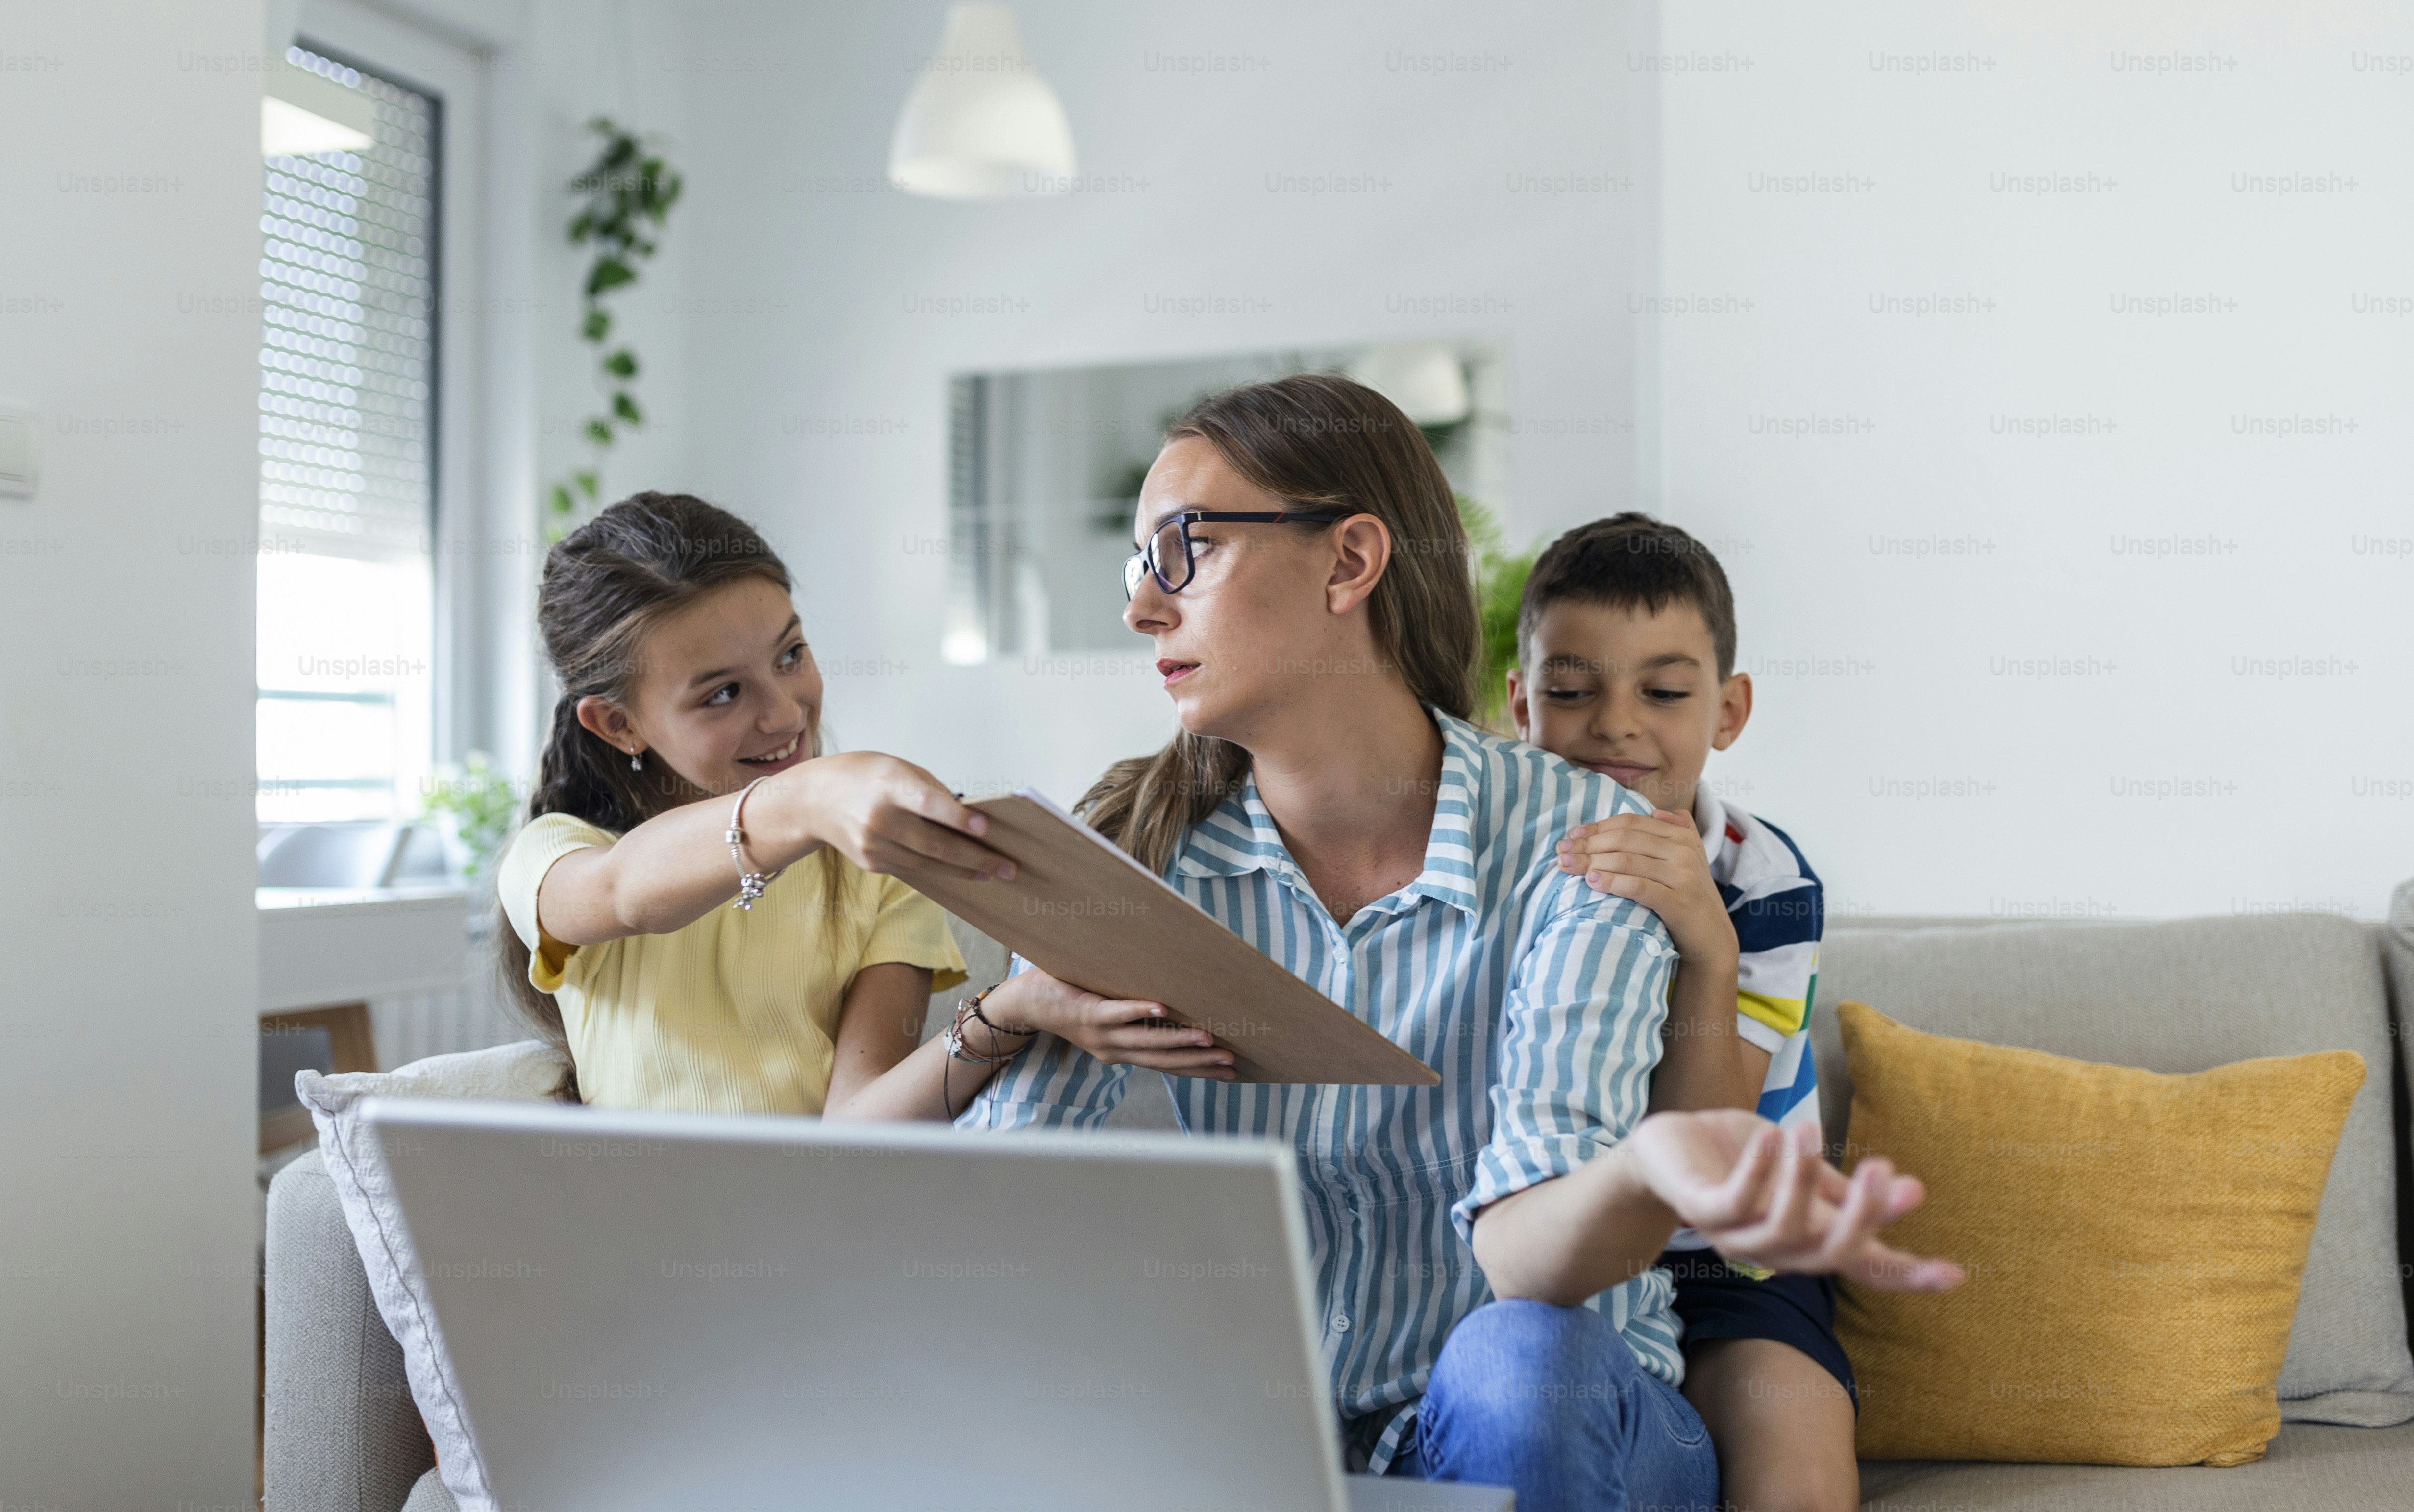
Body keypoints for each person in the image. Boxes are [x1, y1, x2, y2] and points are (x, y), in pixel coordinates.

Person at [956, 376, 1958, 1512]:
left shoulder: (1594, 843)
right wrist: (1004, 1010)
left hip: (1551, 1412)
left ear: (1350, 562)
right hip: (1256, 1436)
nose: (1145, 606)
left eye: (1186, 548)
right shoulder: (1140, 854)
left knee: (1516, 1362)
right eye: (1141, 563)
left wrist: (1643, 1166)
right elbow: (995, 1235)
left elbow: (1528, 1269)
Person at [493, 491, 1240, 1120]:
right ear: (616, 723)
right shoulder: (560, 856)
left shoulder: (873, 871)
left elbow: (856, 1130)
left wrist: (1011, 1010)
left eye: (791, 655)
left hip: (817, 1241)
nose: (784, 712)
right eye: (722, 693)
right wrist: (809, 798)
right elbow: (627, 892)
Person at [1517, 512, 1855, 1512]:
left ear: (1728, 709)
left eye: (1663, 692)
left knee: (1790, 1448)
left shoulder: (1766, 881)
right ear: (1520, 704)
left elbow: (1707, 1149)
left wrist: (1707, 941)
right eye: (1572, 691)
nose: (1617, 724)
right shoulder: (1497, 858)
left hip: (1733, 1258)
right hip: (1551, 1233)